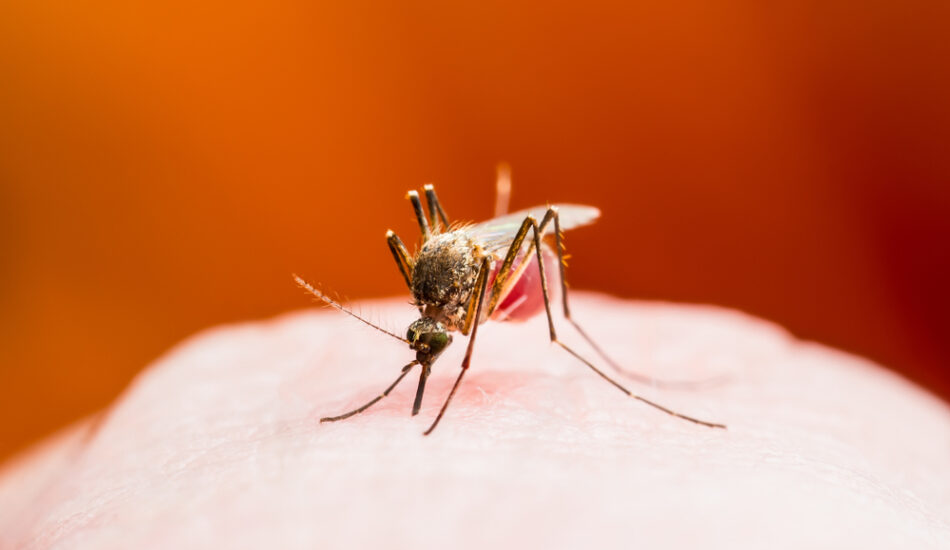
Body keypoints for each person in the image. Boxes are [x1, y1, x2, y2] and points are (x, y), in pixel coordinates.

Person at [1, 294, 948, 548]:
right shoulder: (430, 314)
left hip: (514, 268)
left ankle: (592, 356)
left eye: (426, 348)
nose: (427, 355)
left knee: (489, 247)